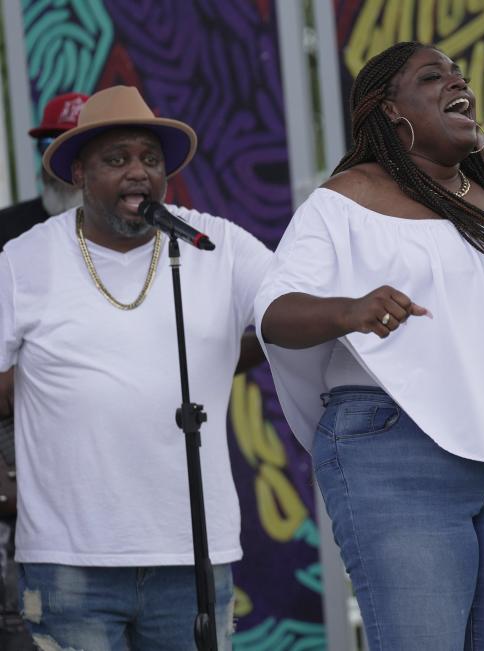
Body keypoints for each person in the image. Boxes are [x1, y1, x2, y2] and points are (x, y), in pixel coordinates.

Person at [255, 41, 484, 650]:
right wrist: (351, 310)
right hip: (397, 452)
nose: (456, 83)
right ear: (390, 111)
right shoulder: (344, 201)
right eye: (432, 77)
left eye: (459, 75)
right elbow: (276, 314)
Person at [0, 85, 271, 650]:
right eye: (116, 159)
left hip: (190, 553)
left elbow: (291, 305)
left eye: (150, 159)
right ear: (79, 173)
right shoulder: (23, 260)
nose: (138, 173)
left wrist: (350, 309)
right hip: (70, 558)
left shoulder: (213, 244)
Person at [0, 90, 88, 651]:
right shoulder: (8, 231)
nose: (54, 155)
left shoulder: (143, 237)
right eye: (47, 143)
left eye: (69, 146)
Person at [0, 91, 88, 249]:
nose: (60, 161)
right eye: (49, 145)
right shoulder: (4, 228)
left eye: (75, 149)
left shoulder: (126, 228)